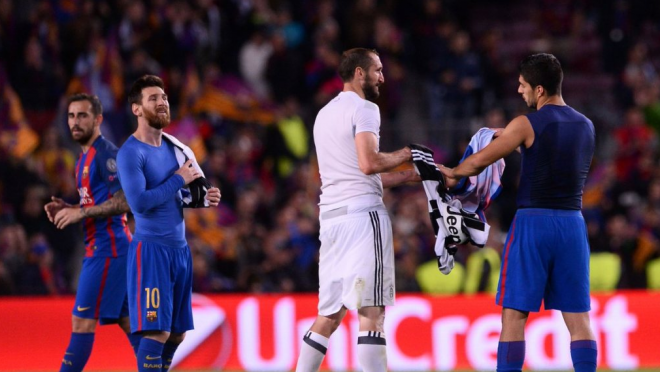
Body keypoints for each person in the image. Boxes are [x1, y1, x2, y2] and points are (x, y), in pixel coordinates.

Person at [439, 53, 597, 372]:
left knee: (514, 316)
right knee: (578, 319)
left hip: (533, 224)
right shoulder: (587, 125)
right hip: (572, 225)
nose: (519, 90)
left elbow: (480, 161)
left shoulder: (526, 123)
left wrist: (454, 172)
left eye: (523, 84)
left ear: (539, 89)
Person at [295, 48, 419, 372]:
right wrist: (408, 153)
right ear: (360, 74)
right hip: (364, 219)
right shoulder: (365, 108)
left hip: (332, 220)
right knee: (372, 313)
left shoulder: (324, 114)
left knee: (329, 315)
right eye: (378, 70)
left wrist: (407, 176)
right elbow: (369, 164)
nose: (382, 76)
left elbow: (352, 173)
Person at [116, 75, 221, 372]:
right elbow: (139, 204)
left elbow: (179, 195)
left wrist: (202, 198)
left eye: (163, 97)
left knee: (177, 333)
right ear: (137, 109)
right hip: (151, 250)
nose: (162, 102)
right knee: (156, 331)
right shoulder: (130, 152)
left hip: (179, 250)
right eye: (153, 98)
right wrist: (178, 179)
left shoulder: (175, 148)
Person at [45, 93, 140, 372]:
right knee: (128, 322)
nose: (75, 122)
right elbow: (97, 202)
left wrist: (81, 213)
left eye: (82, 116)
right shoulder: (82, 159)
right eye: (71, 116)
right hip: (108, 248)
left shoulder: (106, 155)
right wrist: (72, 206)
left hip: (107, 249)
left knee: (82, 322)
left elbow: (125, 201)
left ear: (98, 119)